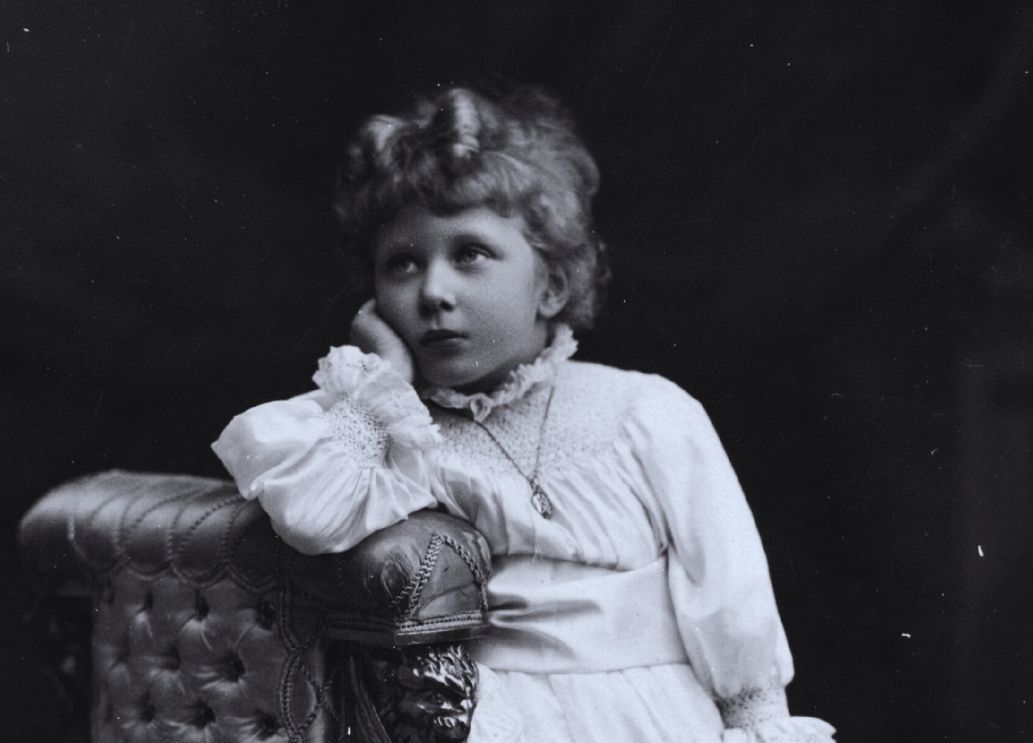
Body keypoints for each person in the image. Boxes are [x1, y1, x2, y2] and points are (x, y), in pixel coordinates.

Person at [212, 85, 835, 743]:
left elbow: (730, 593)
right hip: (486, 719)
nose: (433, 292)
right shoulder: (391, 434)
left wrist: (755, 724)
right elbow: (312, 517)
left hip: (653, 714)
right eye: (401, 264)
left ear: (551, 284)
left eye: (470, 254)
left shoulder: (645, 411)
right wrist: (383, 385)